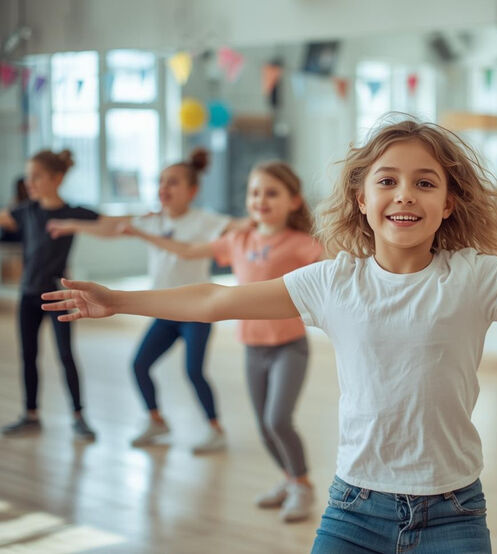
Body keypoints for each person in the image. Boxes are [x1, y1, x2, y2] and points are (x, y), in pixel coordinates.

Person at [41, 118, 497, 551]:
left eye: (425, 182)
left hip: (455, 513)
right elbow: (215, 298)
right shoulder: (334, 280)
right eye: (387, 180)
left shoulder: (477, 275)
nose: (405, 194)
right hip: (352, 510)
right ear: (361, 200)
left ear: (449, 201)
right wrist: (121, 299)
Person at [123, 161, 322, 521]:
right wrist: (142, 233)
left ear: (294, 201)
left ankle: (304, 486)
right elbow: (185, 252)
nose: (261, 199)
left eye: (271, 192)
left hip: (289, 346)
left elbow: (337, 265)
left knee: (278, 420)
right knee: (264, 426)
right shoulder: (237, 240)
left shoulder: (301, 243)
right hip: (253, 347)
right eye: (255, 192)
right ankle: (290, 479)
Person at [47, 148, 241, 453]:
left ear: (193, 190)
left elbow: (239, 227)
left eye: (173, 183)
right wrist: (72, 225)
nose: (164, 188)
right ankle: (156, 420)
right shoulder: (151, 220)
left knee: (193, 371)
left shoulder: (205, 220)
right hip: (164, 311)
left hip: (196, 312)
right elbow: (110, 229)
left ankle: (215, 429)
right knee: (139, 364)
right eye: (161, 182)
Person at [0, 150, 97, 440]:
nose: (30, 182)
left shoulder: (74, 213)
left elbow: (110, 222)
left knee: (66, 355)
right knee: (28, 355)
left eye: (37, 176)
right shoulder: (25, 211)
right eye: (28, 176)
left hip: (59, 296)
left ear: (57, 178)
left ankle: (79, 416)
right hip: (29, 295)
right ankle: (31, 416)